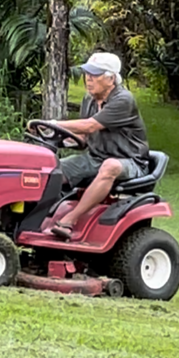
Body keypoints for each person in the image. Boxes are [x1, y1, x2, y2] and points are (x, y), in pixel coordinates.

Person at [29, 51, 150, 240]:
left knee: (109, 166)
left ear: (111, 79)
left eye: (94, 75)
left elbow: (91, 125)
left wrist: (53, 123)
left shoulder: (123, 100)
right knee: (51, 169)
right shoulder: (89, 99)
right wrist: (58, 137)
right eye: (87, 73)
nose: (88, 79)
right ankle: (33, 219)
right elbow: (85, 136)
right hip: (95, 157)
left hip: (129, 161)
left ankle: (69, 220)